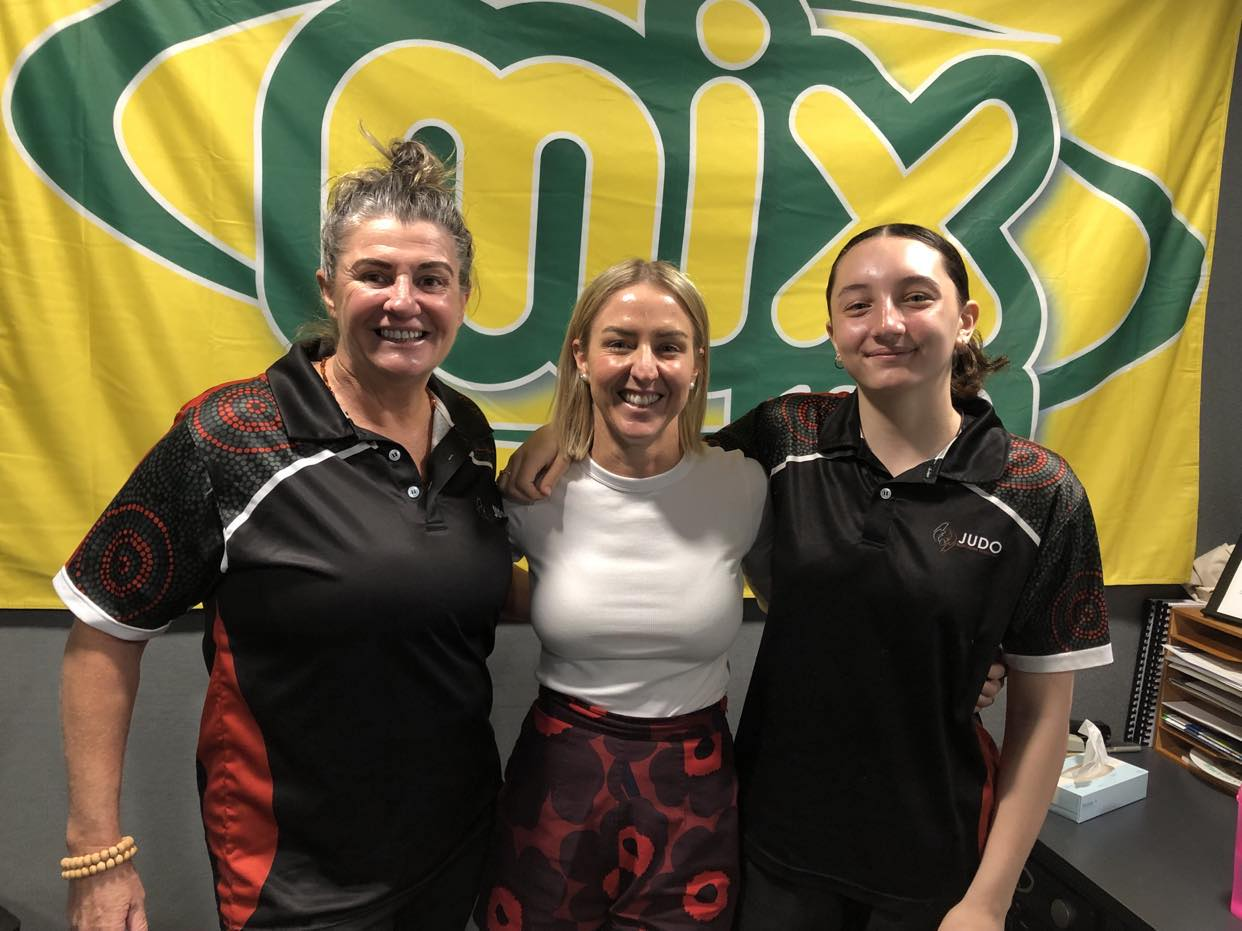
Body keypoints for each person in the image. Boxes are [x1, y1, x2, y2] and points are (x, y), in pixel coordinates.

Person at [500, 223, 1110, 930]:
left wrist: (989, 900)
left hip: (930, 854)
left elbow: (1043, 717)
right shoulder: (786, 436)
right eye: (859, 304)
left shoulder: (1040, 490)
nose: (886, 323)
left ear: (966, 318)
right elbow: (651, 457)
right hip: (775, 846)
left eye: (915, 297)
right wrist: (558, 431)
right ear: (833, 331)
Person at [54, 139, 514, 930]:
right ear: (329, 287)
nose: (403, 300)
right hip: (296, 882)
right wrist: (97, 851)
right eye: (375, 274)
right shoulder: (231, 435)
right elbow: (103, 632)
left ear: (463, 296)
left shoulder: (466, 433)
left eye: (431, 279)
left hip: (455, 854)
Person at [474, 259, 768, 930]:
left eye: (669, 346)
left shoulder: (743, 485)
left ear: (697, 362)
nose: (644, 368)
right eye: (619, 342)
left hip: (695, 785)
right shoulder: (534, 489)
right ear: (581, 355)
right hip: (559, 779)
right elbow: (462, 585)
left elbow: (818, 594)